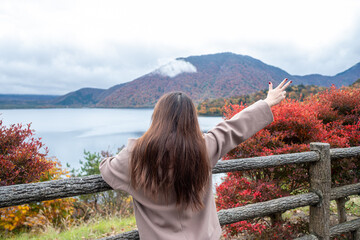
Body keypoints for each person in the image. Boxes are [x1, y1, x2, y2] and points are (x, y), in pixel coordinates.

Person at [99, 79, 291, 240]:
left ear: (157, 117)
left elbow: (107, 168)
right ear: (192, 119)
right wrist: (267, 102)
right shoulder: (204, 148)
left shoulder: (136, 155)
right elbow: (233, 127)